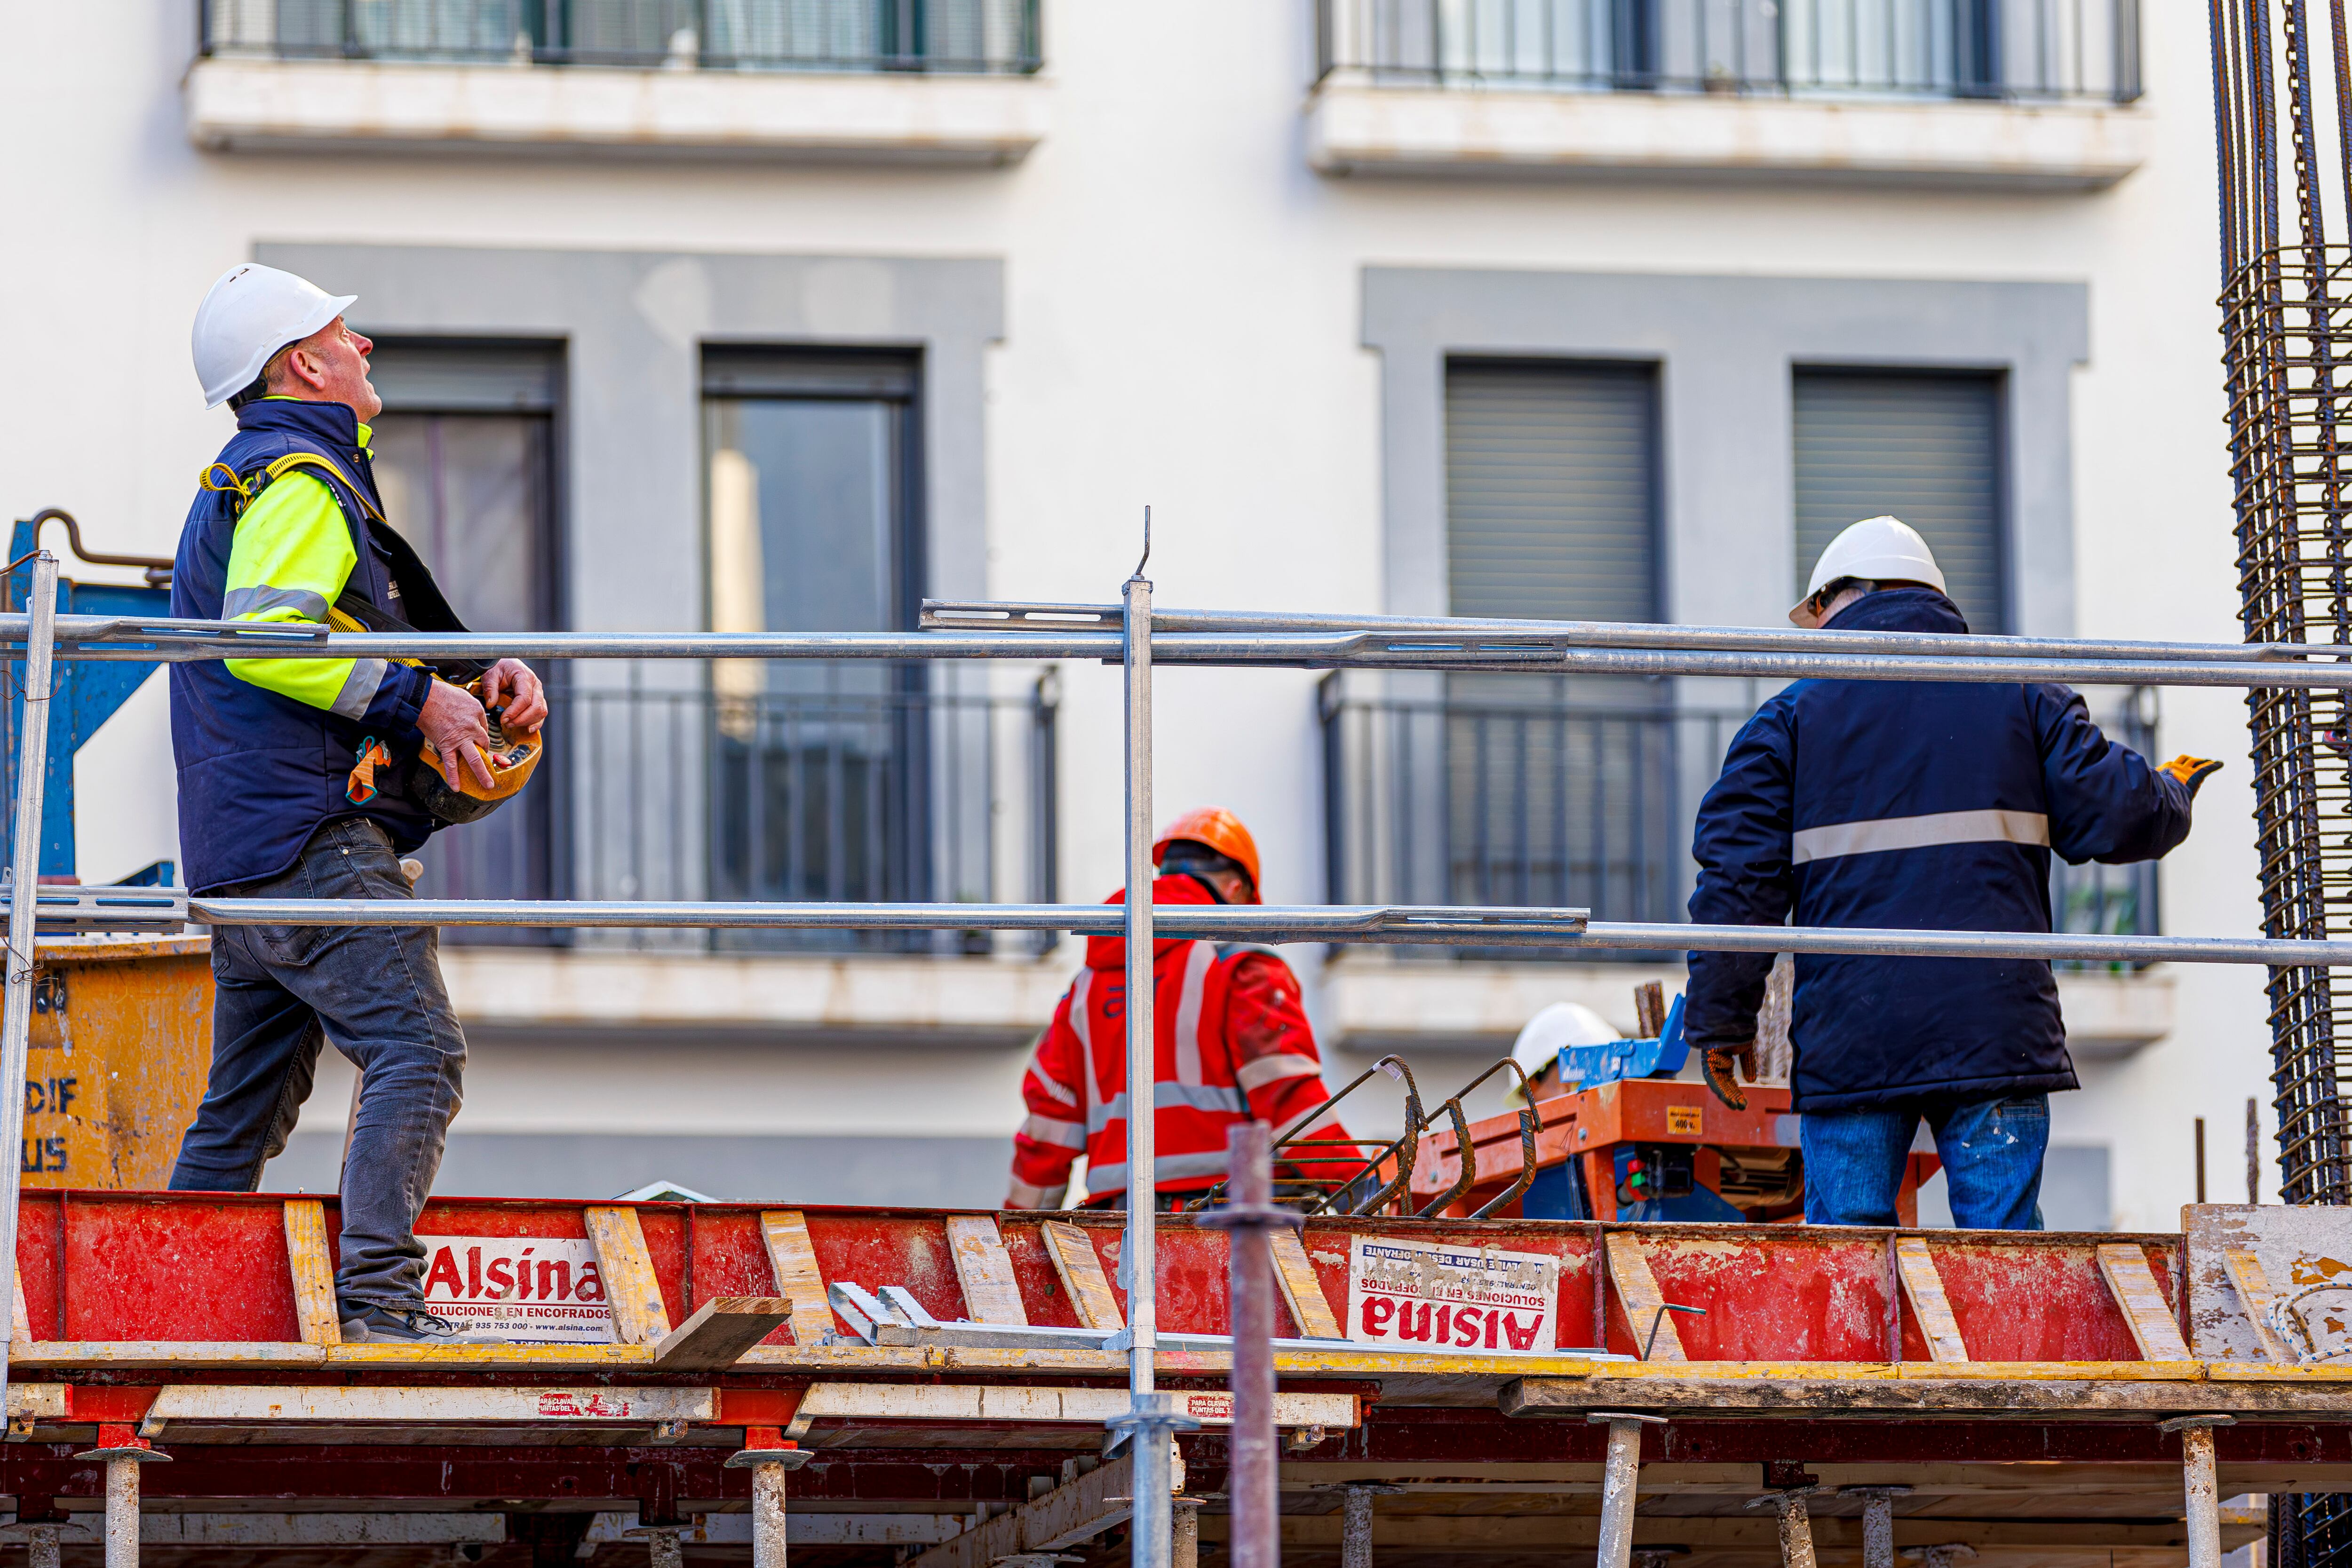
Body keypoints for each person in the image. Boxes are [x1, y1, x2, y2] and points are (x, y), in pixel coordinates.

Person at [167, 263, 548, 1342]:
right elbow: (266, 639)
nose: (365, 347)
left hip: (248, 855)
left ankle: (168, 1301)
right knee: (419, 1049)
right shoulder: (297, 477)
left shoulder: (263, 476)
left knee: (242, 1108)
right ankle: (380, 1300)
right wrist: (419, 697)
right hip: (309, 841)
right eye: (345, 332)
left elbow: (304, 629)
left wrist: (471, 675)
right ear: (303, 364)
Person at [1684, 516, 2219, 1229]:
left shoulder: (1788, 720)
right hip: (1995, 1024)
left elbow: (1737, 887)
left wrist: (1721, 1020)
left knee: (1850, 1275)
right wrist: (2171, 791)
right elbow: (2119, 814)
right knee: (2002, 1276)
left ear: (1840, 598)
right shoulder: (2023, 693)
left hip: (1856, 1038)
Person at [1006, 808, 1358, 1209]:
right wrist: (1361, 1189)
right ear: (1235, 890)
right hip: (1235, 1224)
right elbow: (1290, 1099)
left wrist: (1017, 1238)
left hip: (1117, 1232)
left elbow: (1047, 1132)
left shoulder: (1083, 991)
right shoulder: (1240, 964)